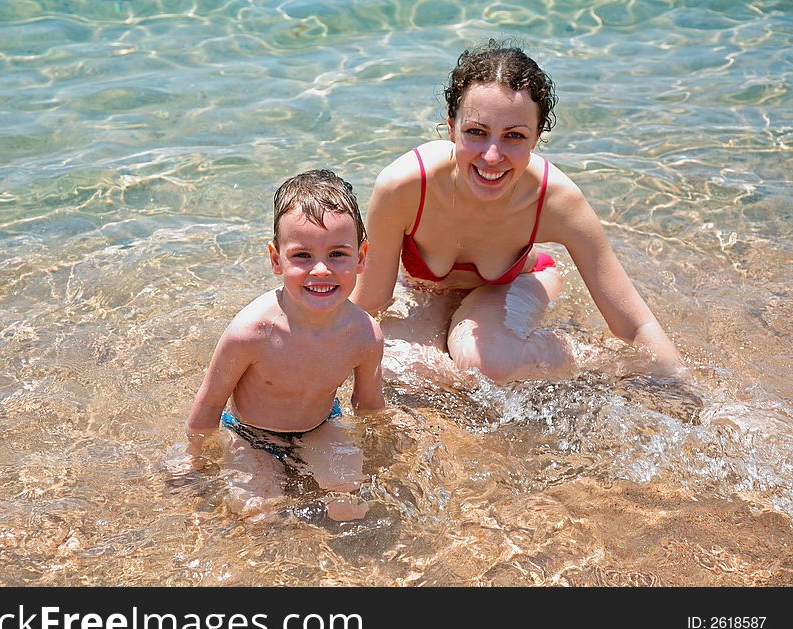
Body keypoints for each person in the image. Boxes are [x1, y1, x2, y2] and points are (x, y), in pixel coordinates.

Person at [351, 39, 687, 384]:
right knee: (396, 367)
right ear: (452, 128)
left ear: (537, 137)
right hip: (429, 291)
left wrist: (684, 387)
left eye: (513, 135)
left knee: (485, 360)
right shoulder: (405, 186)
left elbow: (633, 322)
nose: (492, 156)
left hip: (517, 284)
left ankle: (590, 360)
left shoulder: (556, 200)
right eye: (476, 132)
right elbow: (372, 297)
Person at [186, 170, 385, 521]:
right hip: (250, 434)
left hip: (321, 426)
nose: (321, 270)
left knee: (351, 507)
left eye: (338, 253)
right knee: (261, 517)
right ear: (276, 259)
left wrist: (390, 442)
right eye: (302, 256)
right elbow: (211, 401)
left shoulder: (364, 334)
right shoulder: (252, 332)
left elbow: (368, 404)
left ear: (361, 256)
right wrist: (192, 458)